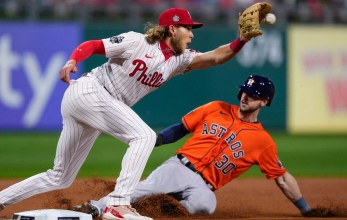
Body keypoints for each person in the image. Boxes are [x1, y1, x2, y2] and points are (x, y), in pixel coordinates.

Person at [0, 7, 258, 220]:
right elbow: (93, 46)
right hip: (90, 91)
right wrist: (73, 59)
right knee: (144, 136)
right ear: (172, 28)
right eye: (188, 28)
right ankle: (117, 204)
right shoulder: (138, 42)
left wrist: (242, 39)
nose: (192, 33)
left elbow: (217, 56)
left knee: (60, 176)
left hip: (97, 103)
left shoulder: (181, 59)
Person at [74, 75, 313, 218]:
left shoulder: (263, 142)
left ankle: (161, 208)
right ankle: (93, 208)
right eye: (245, 91)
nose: (245, 96)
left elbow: (281, 177)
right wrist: (158, 140)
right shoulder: (216, 107)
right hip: (179, 167)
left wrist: (305, 209)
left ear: (265, 101)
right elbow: (181, 127)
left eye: (253, 94)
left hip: (204, 185)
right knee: (142, 190)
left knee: (205, 206)